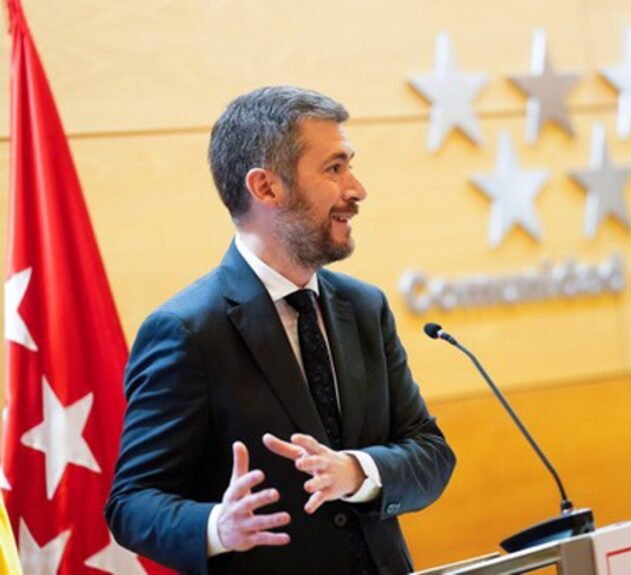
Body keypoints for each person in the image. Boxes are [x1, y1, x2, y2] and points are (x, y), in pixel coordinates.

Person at [106, 86, 456, 575]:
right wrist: (217, 526)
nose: (357, 189)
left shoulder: (365, 307)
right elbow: (131, 503)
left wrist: (357, 471)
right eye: (334, 168)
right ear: (266, 188)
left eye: (349, 166)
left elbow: (431, 453)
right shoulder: (186, 330)